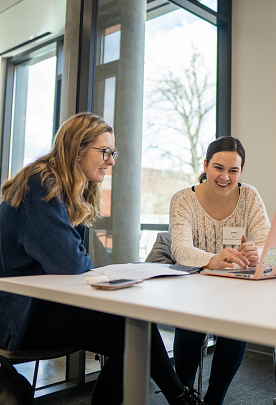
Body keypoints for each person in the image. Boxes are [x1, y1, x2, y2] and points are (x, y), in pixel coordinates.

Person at [0, 113, 202, 405]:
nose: (111, 161)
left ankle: (180, 397)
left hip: (41, 306)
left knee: (133, 332)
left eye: (113, 152)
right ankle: (182, 398)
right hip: (16, 318)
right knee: (134, 328)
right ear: (77, 149)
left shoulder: (71, 191)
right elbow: (73, 265)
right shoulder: (41, 184)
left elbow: (75, 263)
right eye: (105, 152)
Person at [169, 136, 271, 405]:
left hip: (235, 290)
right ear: (205, 165)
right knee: (190, 325)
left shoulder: (249, 196)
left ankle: (215, 399)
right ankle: (183, 395)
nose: (225, 176)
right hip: (194, 289)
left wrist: (257, 251)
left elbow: (266, 239)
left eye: (233, 170)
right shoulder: (183, 200)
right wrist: (213, 259)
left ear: (241, 171)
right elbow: (180, 249)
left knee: (235, 325)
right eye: (218, 168)